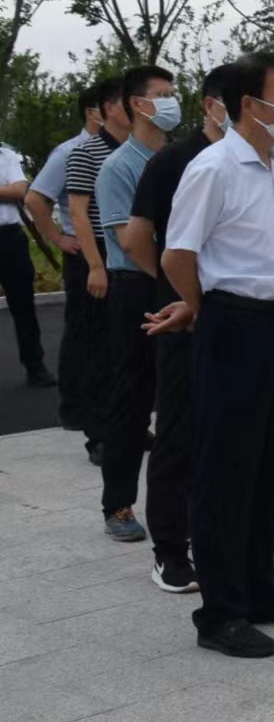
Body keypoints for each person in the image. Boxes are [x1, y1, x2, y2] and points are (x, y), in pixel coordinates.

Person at [144, 52, 274, 660]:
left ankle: (259, 588)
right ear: (250, 104)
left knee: (267, 463)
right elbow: (177, 254)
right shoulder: (214, 166)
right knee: (226, 469)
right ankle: (220, 611)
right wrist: (204, 308)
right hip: (236, 325)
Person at [122, 64, 233, 594]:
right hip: (185, 319)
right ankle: (170, 549)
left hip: (240, 317)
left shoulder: (259, 161)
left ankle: (223, 533)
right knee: (180, 432)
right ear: (215, 105)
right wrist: (181, 290)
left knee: (231, 433)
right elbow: (136, 238)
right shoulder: (175, 160)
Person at [92, 65, 180, 543]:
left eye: (173, 92)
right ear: (137, 105)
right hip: (139, 287)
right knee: (133, 399)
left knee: (180, 398)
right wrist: (175, 285)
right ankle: (119, 504)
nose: (171, 101)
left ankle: (182, 502)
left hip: (178, 285)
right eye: (161, 94)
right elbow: (130, 240)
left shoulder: (178, 157)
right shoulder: (119, 166)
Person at [26, 82, 110, 422]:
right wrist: (57, 238)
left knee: (106, 332)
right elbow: (35, 198)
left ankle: (96, 403)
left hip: (112, 247)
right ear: (93, 112)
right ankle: (75, 406)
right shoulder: (70, 152)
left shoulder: (118, 149)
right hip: (83, 249)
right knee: (83, 329)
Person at [59, 76, 130, 462]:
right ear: (107, 108)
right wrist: (95, 266)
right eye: (128, 101)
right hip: (101, 252)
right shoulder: (85, 152)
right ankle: (99, 434)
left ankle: (132, 423)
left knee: (133, 348)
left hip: (135, 251)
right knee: (99, 349)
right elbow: (78, 212)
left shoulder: (144, 149)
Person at [0, 130, 51, 388]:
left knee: (23, 305)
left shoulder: (6, 155)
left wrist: (11, 191)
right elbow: (10, 190)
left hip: (8, 238)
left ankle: (35, 366)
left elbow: (20, 189)